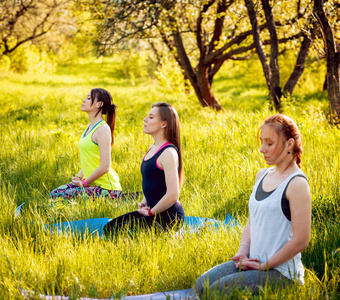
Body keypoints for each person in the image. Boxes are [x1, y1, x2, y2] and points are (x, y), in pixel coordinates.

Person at [195, 114, 311, 297]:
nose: (262, 149)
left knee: (216, 291)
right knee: (202, 285)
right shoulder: (262, 175)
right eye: (261, 142)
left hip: (281, 273)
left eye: (269, 143)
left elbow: (301, 240)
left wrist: (266, 265)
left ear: (289, 144)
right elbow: (252, 221)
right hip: (254, 262)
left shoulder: (297, 184)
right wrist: (243, 251)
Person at [103, 102, 184, 233]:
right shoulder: (153, 148)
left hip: (168, 217)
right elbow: (154, 182)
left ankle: (170, 235)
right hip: (154, 211)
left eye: (151, 117)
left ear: (164, 124)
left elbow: (173, 194)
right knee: (109, 228)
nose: (145, 119)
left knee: (115, 232)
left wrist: (152, 212)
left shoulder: (168, 153)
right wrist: (145, 201)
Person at [50, 88, 122, 200]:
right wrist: (79, 177)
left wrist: (83, 183)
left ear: (99, 104)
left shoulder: (102, 129)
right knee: (54, 193)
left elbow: (105, 167)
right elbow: (89, 159)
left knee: (63, 196)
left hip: (108, 189)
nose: (84, 100)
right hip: (91, 184)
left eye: (88, 98)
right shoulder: (89, 127)